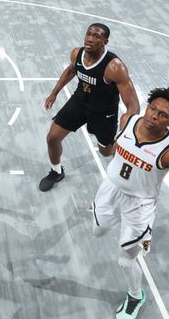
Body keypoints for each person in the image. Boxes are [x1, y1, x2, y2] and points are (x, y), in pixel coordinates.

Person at [91, 88, 169, 319]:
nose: (154, 116)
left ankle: (135, 295)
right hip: (110, 189)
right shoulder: (127, 121)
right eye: (153, 108)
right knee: (98, 230)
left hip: (140, 204)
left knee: (126, 259)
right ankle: (140, 235)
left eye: (163, 115)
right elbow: (116, 150)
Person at [39, 23, 140, 192]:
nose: (91, 39)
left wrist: (126, 130)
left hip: (104, 111)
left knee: (106, 152)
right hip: (79, 102)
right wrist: (54, 93)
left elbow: (133, 105)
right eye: (89, 34)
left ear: (104, 42)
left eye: (97, 36)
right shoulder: (77, 53)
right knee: (52, 138)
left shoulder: (114, 67)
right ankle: (56, 171)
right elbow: (71, 70)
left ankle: (123, 154)